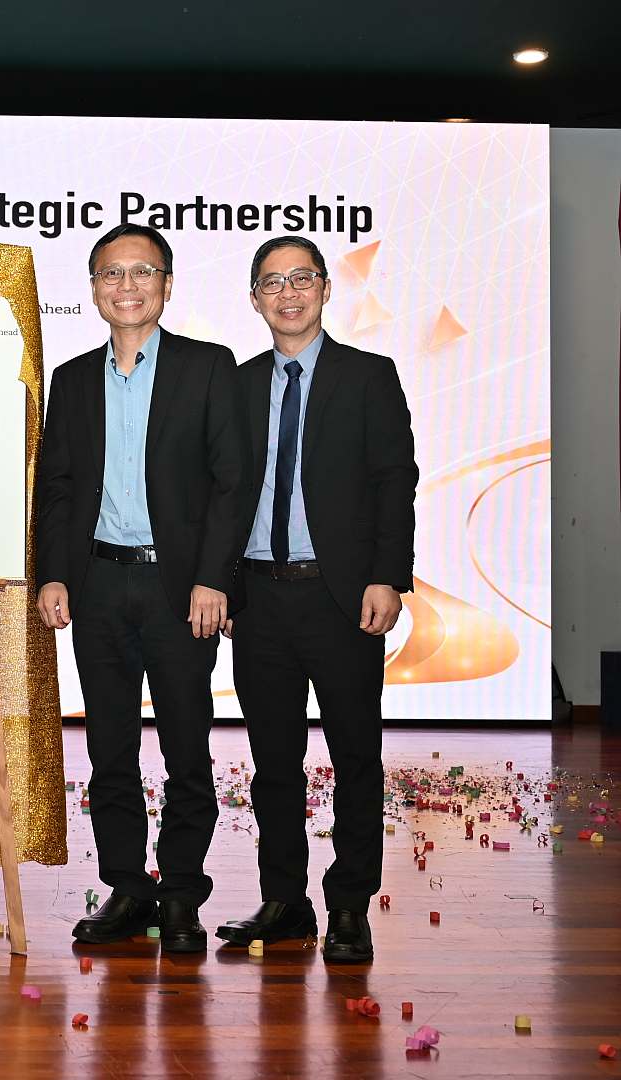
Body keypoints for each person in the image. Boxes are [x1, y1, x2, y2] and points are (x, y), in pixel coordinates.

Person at [34, 224, 249, 954]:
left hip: (178, 589)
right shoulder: (69, 379)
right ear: (93, 288)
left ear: (166, 285)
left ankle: (182, 893)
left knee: (187, 747)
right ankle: (127, 887)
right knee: (110, 751)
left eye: (141, 273)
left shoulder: (207, 368)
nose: (125, 287)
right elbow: (56, 490)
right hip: (96, 584)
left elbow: (230, 486)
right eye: (110, 274)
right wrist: (54, 573)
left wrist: (211, 579)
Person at [214, 236, 417, 963]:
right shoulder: (235, 386)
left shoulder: (368, 376)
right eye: (272, 283)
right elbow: (221, 494)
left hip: (342, 600)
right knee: (273, 762)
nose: (288, 293)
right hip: (259, 601)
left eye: (301, 279)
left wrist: (387, 577)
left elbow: (395, 478)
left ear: (326, 289)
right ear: (254, 299)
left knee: (355, 756)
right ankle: (285, 901)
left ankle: (349, 905)